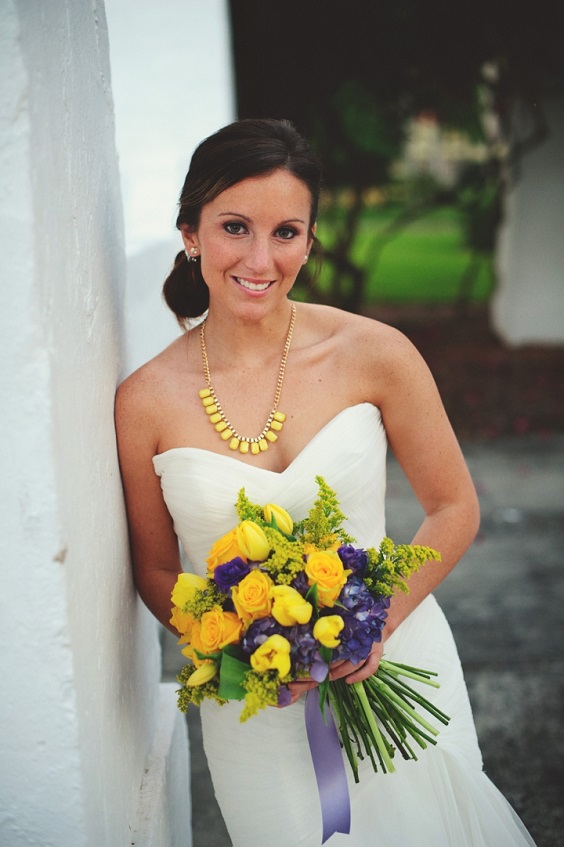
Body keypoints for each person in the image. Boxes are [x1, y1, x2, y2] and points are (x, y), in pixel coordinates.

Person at [115, 118, 536, 846]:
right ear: (191, 232)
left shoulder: (375, 352)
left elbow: (453, 505)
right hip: (255, 701)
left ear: (311, 241)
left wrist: (377, 621)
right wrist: (245, 646)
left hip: (399, 655)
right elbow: (154, 568)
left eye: (286, 232)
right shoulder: (144, 399)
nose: (260, 257)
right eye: (234, 227)